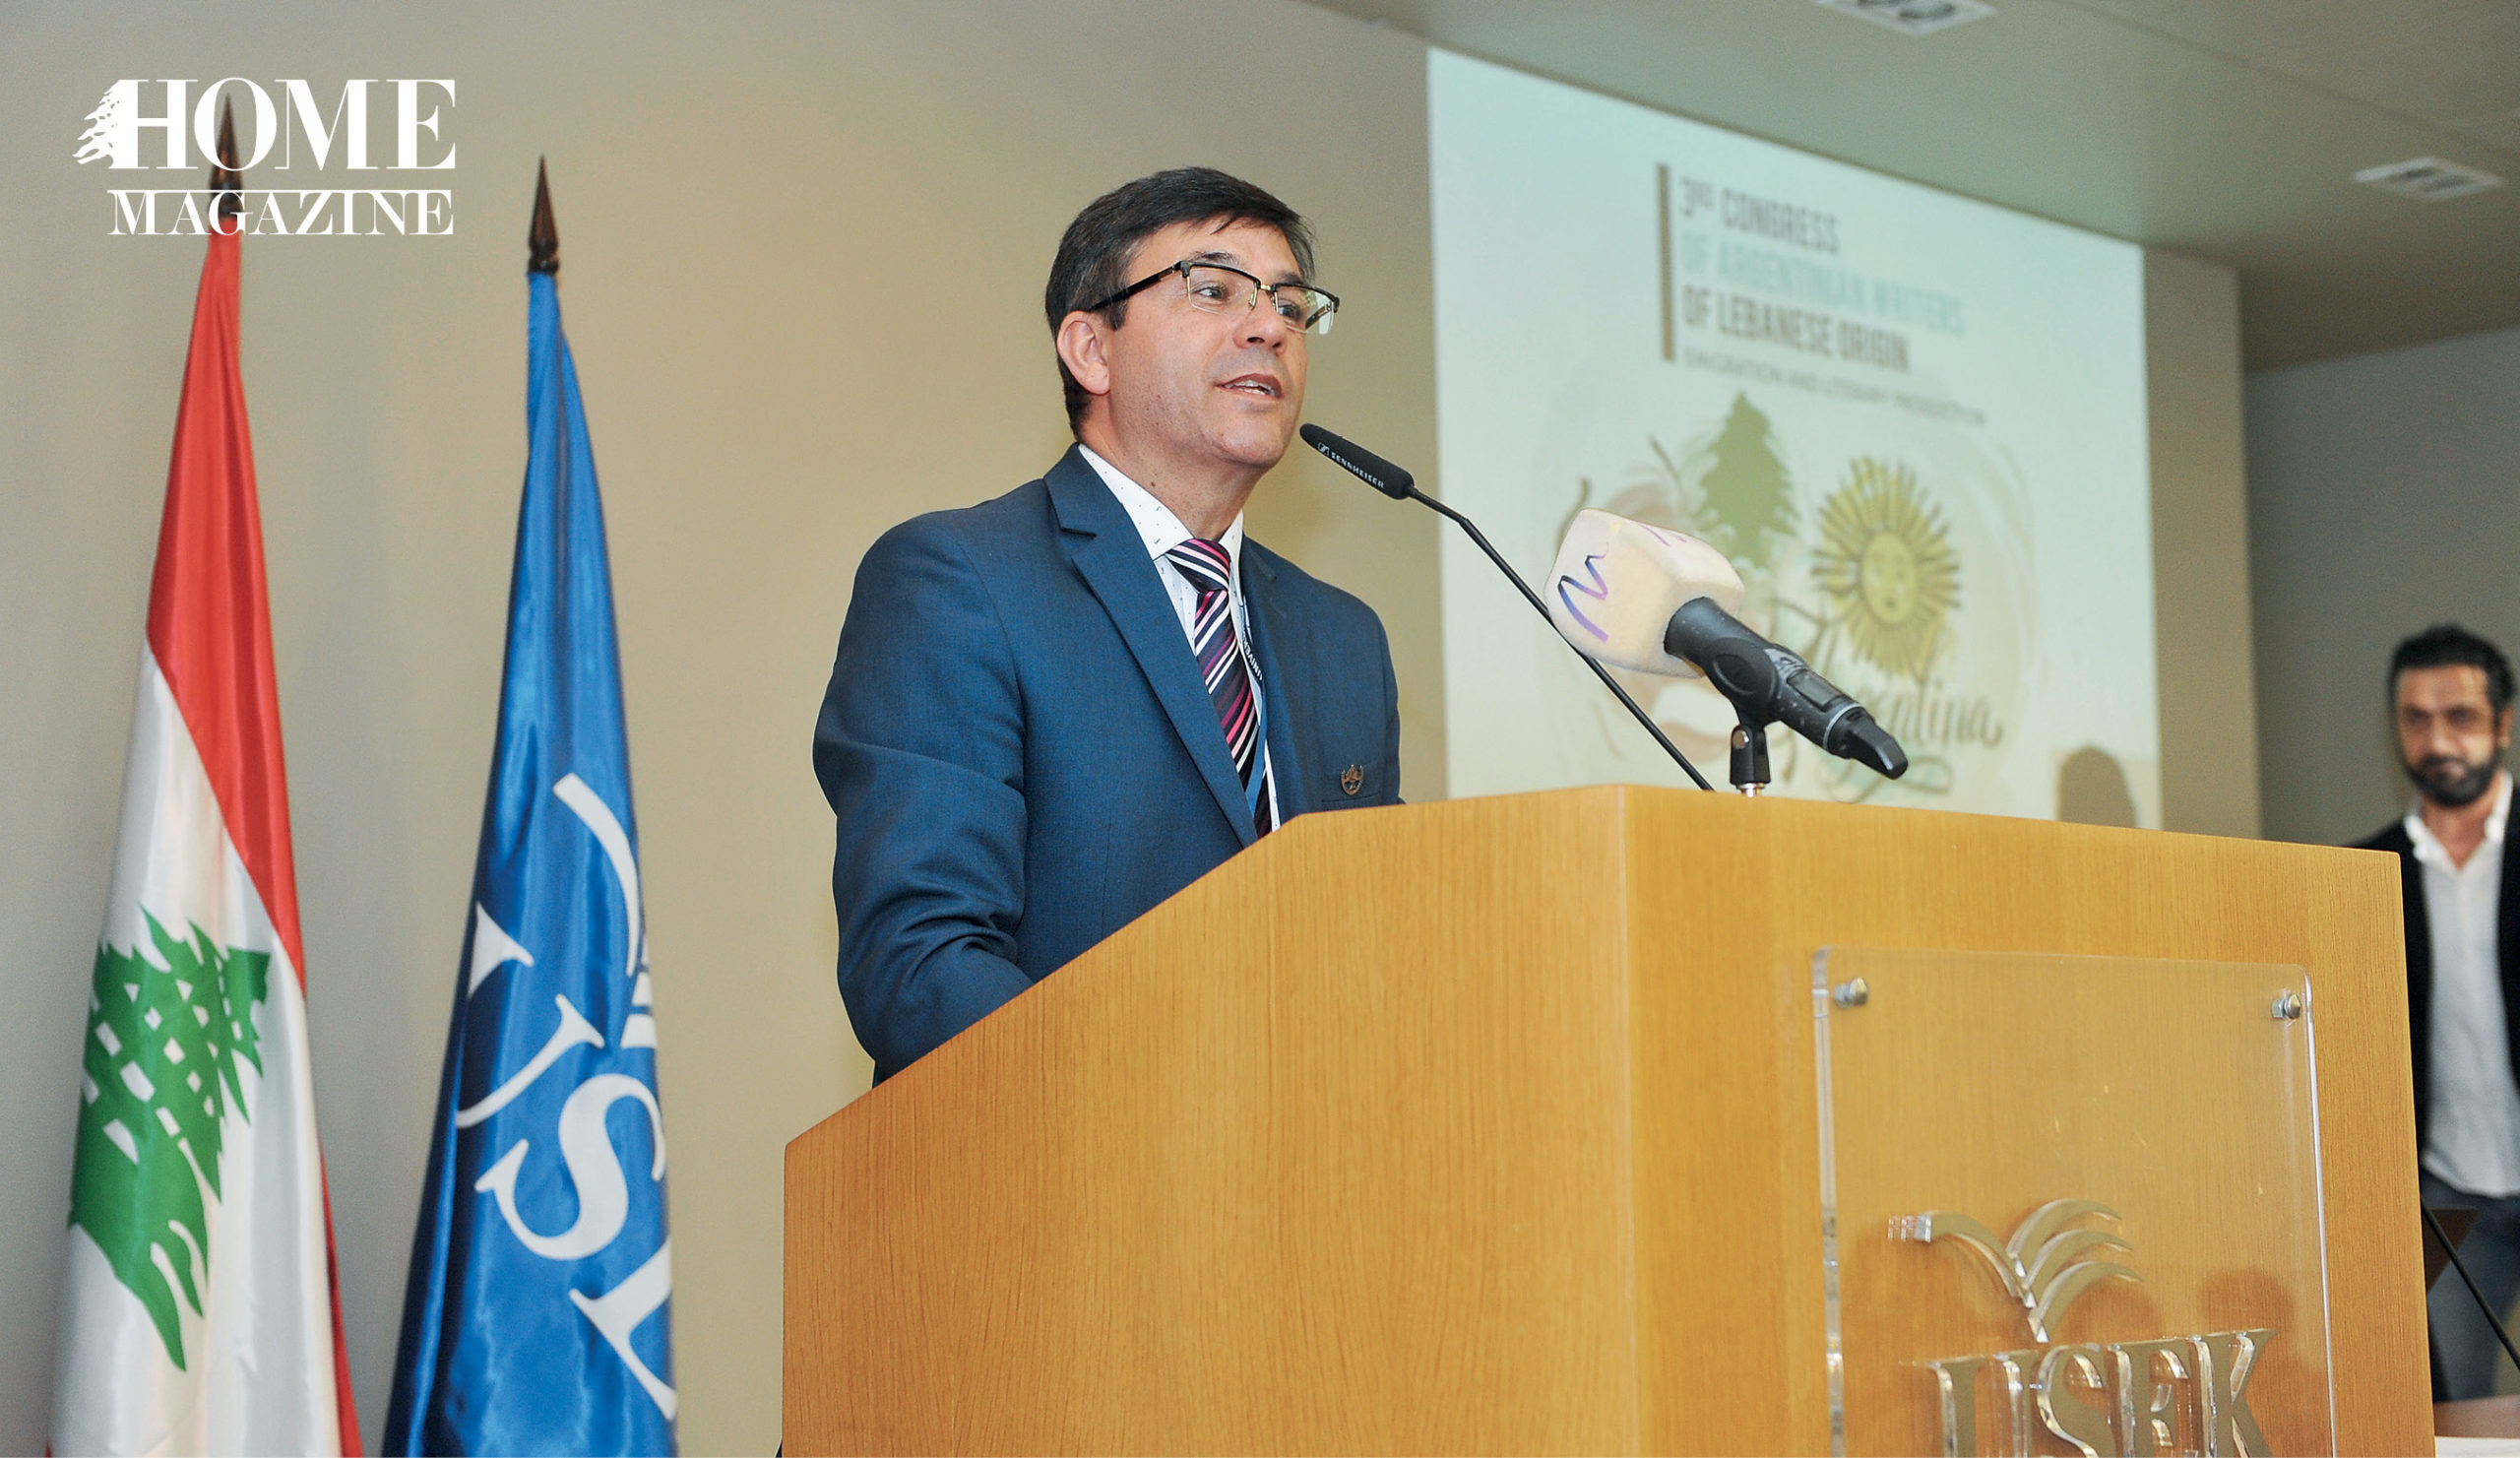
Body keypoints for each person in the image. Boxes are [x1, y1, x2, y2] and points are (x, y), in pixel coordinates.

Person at [813, 167, 1402, 1083]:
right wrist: (1162, 1105)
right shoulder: (961, 579)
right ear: (1090, 349)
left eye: (1291, 303)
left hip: (1311, 1187)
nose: (1270, 327)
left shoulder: (1342, 638)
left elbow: (1374, 951)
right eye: (1213, 289)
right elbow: (921, 961)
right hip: (1066, 1183)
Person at [2360, 624, 2520, 1398]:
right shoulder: (2365, 873)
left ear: (2503, 724)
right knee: (2448, 1408)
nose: (2437, 739)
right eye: (2416, 718)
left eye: (2459, 715)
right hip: (2448, 1199)